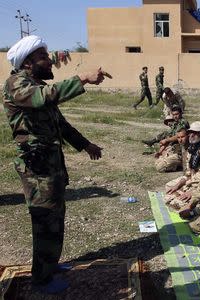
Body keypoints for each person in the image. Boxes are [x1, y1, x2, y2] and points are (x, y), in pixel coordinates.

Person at [3, 35, 108, 294]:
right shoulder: (17, 84)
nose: (49, 61)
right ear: (27, 62)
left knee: (56, 218)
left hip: (51, 165)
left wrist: (85, 145)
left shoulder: (36, 84)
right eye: (43, 57)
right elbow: (43, 97)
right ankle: (41, 279)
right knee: (44, 221)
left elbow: (61, 125)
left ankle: (50, 265)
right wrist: (82, 78)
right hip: (36, 169)